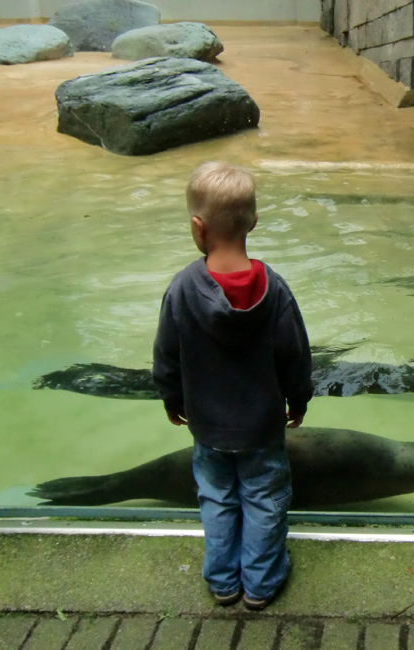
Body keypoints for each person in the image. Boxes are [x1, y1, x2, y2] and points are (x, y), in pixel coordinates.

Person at [152, 161, 313, 610]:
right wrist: (299, 398)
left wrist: (171, 396)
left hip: (206, 428)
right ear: (254, 223)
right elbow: (294, 353)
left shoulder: (182, 288)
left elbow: (166, 352)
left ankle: (223, 582)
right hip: (262, 429)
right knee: (264, 499)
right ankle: (261, 583)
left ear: (197, 228)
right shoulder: (274, 288)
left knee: (217, 499)